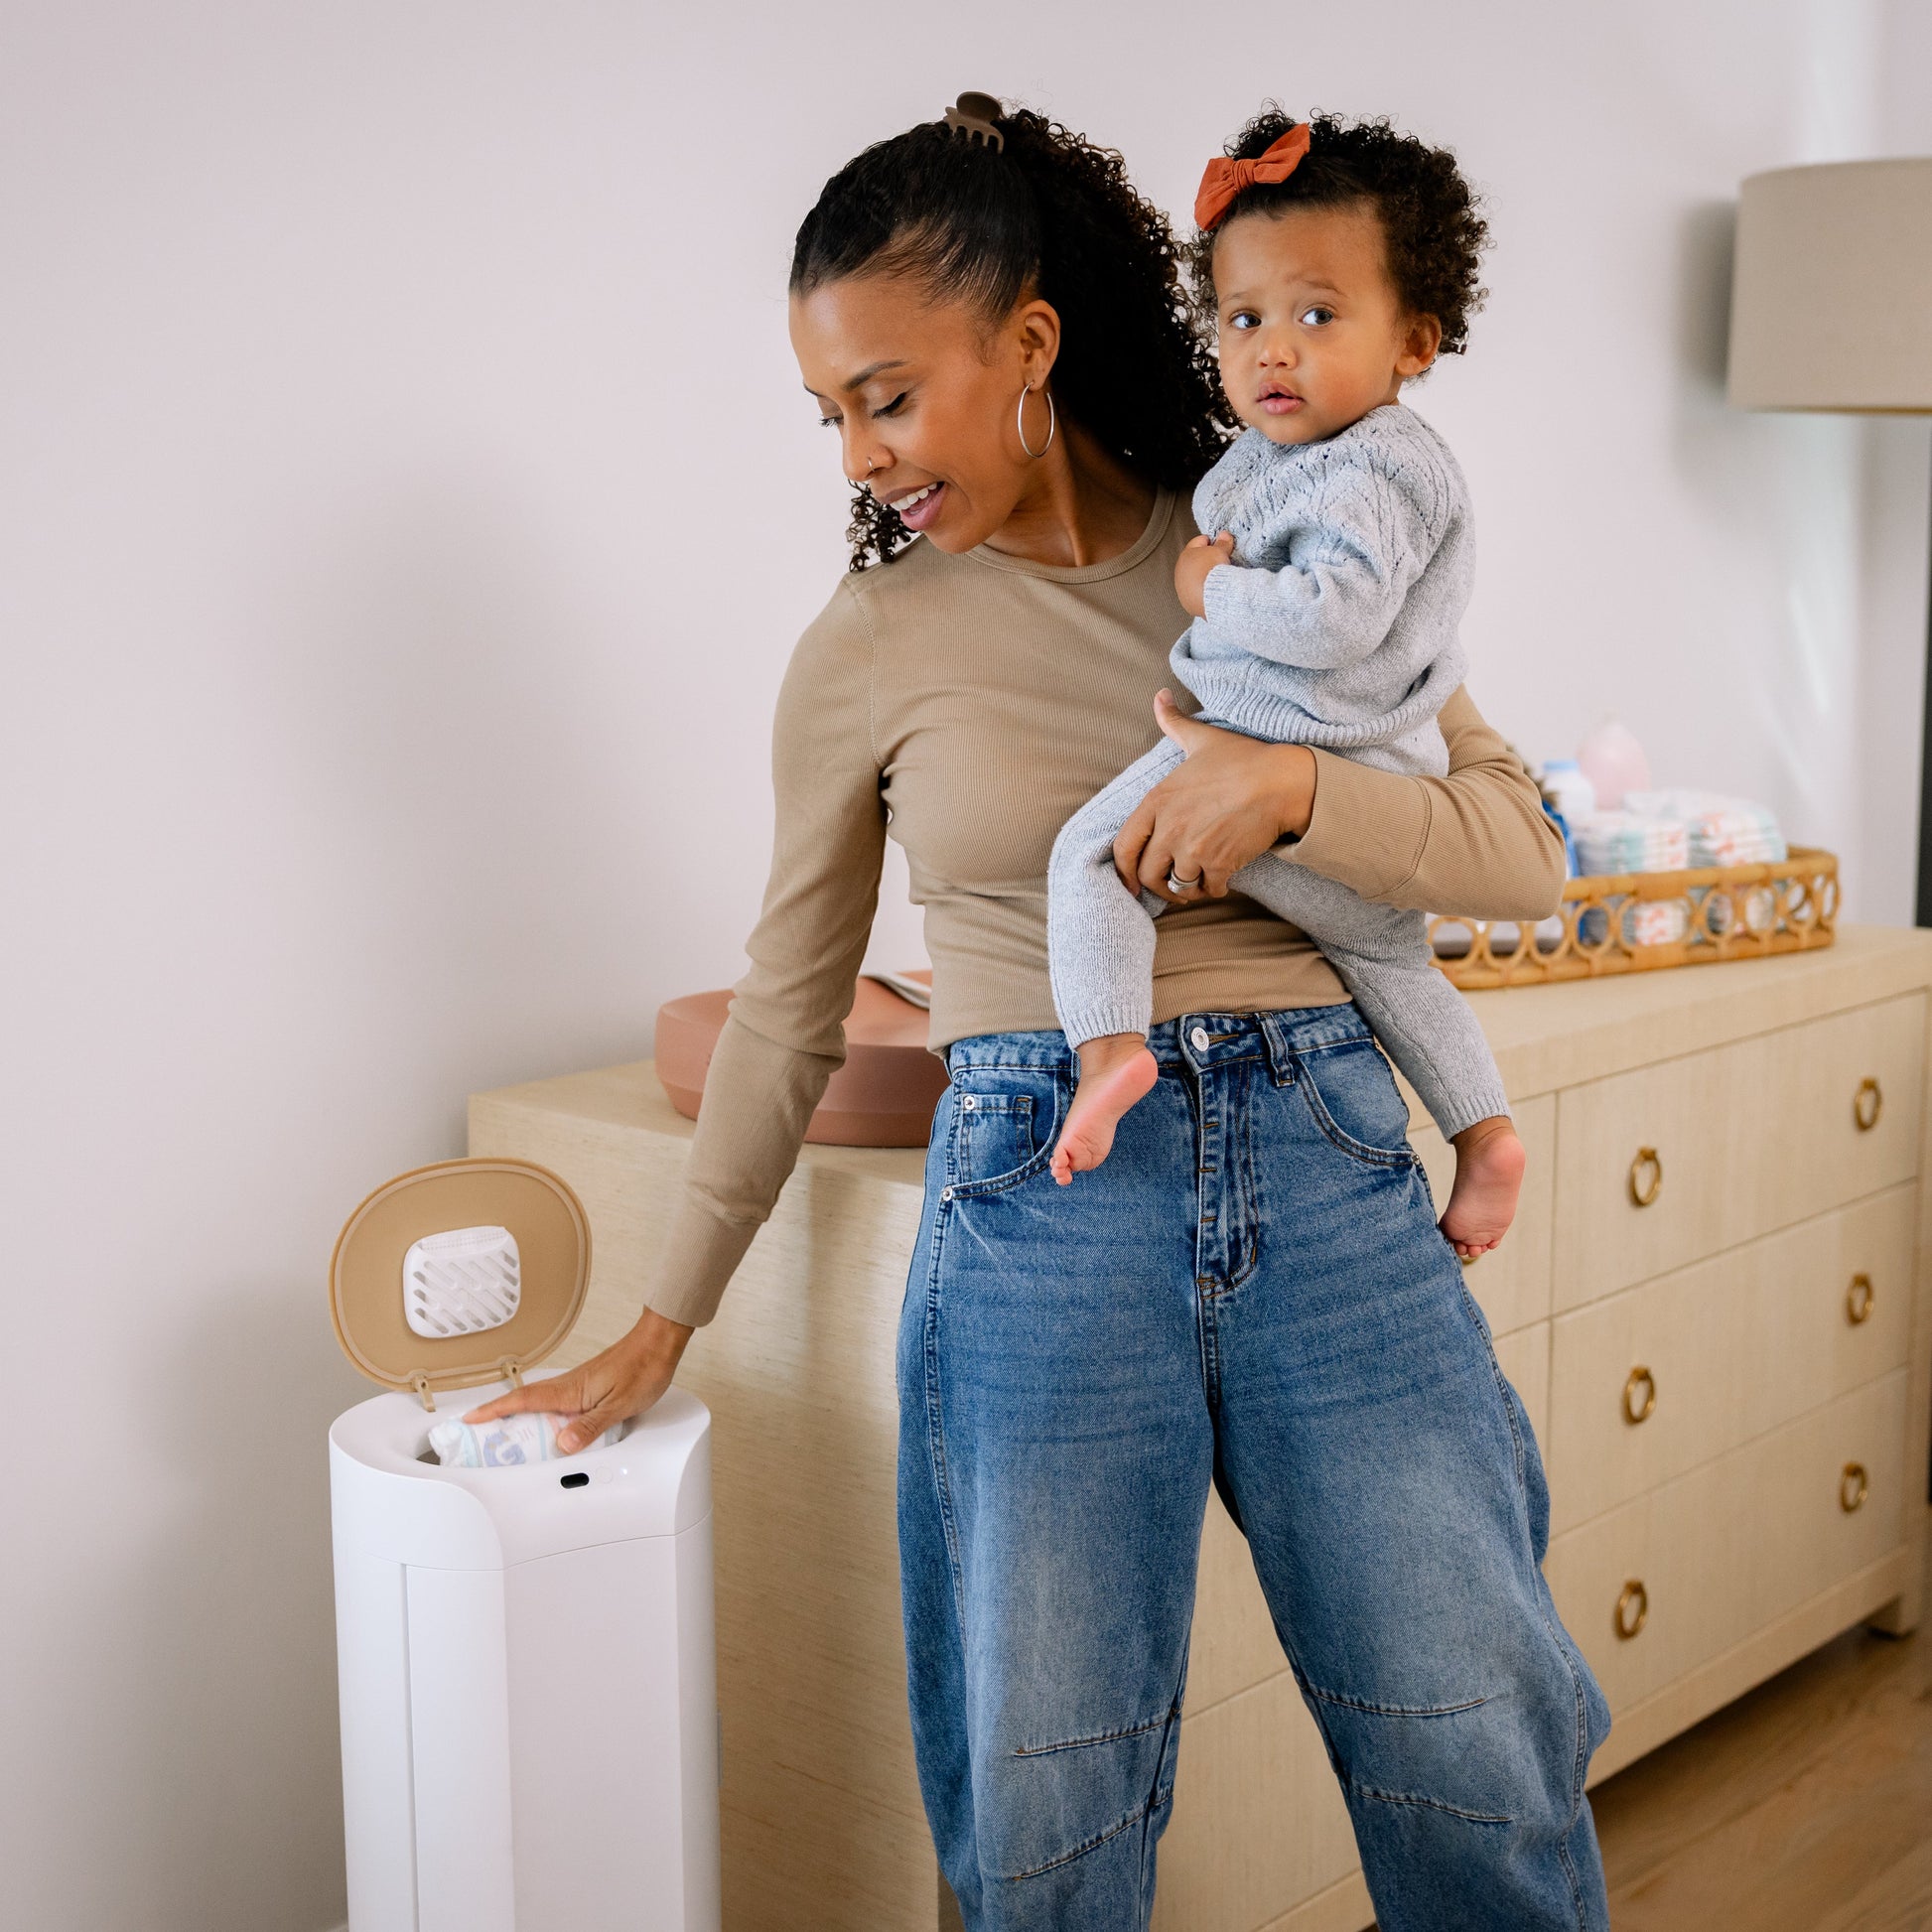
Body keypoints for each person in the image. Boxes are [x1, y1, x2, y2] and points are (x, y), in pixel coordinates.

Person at [471, 91, 1610, 1932]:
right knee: (1043, 1810)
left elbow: (1516, 849)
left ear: (1028, 342)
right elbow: (785, 1001)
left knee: (1474, 1744)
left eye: (889, 396)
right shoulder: (866, 650)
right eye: (830, 413)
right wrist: (656, 1321)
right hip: (1043, 1195)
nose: (858, 454)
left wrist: (1291, 794)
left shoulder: (1285, 553)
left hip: (1327, 1164)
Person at [1045, 111, 1523, 1263]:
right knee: (1387, 961)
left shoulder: (1368, 466)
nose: (1271, 348)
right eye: (1243, 317)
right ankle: (1484, 1127)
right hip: (1358, 799)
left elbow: (1330, 618)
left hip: (1292, 745)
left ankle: (1110, 1052)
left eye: (1316, 316)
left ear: (1414, 338)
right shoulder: (1307, 453)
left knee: (1093, 861)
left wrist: (1208, 596)